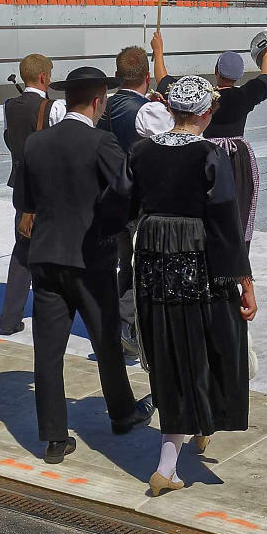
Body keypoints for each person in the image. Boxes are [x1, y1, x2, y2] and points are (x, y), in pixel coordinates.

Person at [16, 64, 155, 464]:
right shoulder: (102, 142)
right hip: (90, 257)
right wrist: (112, 226)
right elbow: (128, 192)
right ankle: (123, 413)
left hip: (46, 256)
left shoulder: (37, 144)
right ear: (98, 101)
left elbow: (22, 202)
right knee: (106, 341)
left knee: (48, 350)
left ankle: (54, 438)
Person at [128, 76, 256, 496]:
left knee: (170, 353)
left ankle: (190, 437)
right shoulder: (209, 154)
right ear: (205, 113)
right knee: (206, 348)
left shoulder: (142, 151)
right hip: (196, 265)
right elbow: (225, 222)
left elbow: (122, 205)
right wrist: (245, 281)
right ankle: (169, 463)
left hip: (151, 264)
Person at [152, 30, 267, 251]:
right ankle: (237, 258)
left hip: (208, 154)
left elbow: (164, 82)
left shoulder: (205, 97)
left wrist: (158, 51)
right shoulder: (244, 95)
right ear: (238, 75)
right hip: (239, 157)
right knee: (239, 209)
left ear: (216, 71)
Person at [97, 45, 153, 358]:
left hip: (110, 194)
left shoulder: (104, 105)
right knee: (137, 265)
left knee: (124, 262)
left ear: (118, 76)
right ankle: (127, 326)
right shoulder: (145, 111)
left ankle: (122, 323)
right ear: (146, 76)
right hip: (137, 198)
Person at [0, 54, 54, 336]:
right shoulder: (51, 107)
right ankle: (51, 313)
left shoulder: (9, 106)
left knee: (23, 250)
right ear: (44, 77)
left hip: (20, 185)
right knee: (51, 252)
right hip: (46, 190)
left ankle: (9, 318)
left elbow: (9, 139)